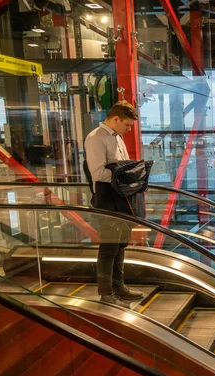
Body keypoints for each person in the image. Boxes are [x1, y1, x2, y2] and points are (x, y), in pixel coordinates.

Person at [85, 101, 144, 306]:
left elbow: (119, 167)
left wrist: (129, 172)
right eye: (127, 125)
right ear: (115, 118)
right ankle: (106, 294)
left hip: (121, 198)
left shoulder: (116, 137)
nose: (128, 130)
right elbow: (99, 173)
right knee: (109, 248)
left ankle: (119, 287)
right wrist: (127, 175)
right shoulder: (96, 138)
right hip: (107, 199)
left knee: (120, 246)